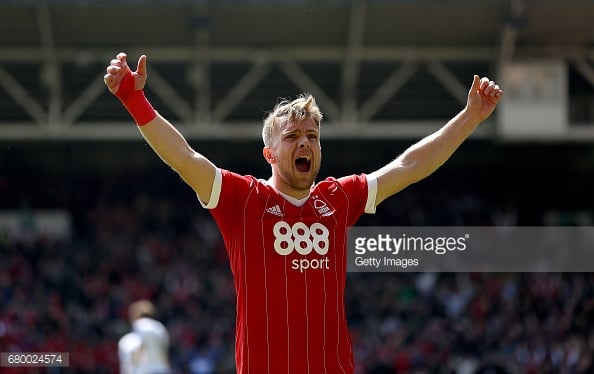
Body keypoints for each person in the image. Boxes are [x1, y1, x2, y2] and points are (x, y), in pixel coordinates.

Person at [104, 52, 503, 373]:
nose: (305, 143)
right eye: (292, 136)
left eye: (312, 136)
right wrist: (133, 99)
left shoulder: (338, 199)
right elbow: (183, 156)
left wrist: (470, 117)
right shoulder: (242, 199)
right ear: (269, 153)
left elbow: (410, 166)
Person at [117, 299, 171, 374]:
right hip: (162, 369)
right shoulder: (160, 327)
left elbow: (141, 346)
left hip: (148, 370)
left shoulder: (140, 324)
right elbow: (164, 352)